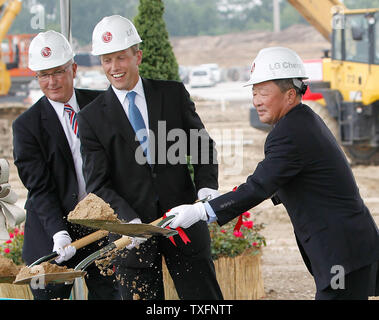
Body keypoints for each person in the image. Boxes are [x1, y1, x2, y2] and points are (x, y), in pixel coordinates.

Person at [167, 46, 379, 300]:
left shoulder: (290, 133)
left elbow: (259, 186)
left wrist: (201, 212)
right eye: (254, 92)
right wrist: (219, 202)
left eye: (263, 92)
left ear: (290, 95)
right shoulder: (303, 121)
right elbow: (275, 181)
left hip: (341, 253)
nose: (256, 100)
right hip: (349, 248)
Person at [77, 15, 223, 300]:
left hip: (183, 224)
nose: (114, 68)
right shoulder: (91, 117)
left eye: (121, 58)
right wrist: (126, 220)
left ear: (138, 56)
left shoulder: (172, 94)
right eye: (107, 60)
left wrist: (207, 186)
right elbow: (98, 183)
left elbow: (202, 145)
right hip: (130, 238)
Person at [12, 30, 119, 300]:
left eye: (58, 72)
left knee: (111, 294)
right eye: (43, 75)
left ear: (73, 68)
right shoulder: (26, 126)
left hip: (100, 225)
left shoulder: (104, 104)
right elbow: (39, 187)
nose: (51, 82)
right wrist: (59, 233)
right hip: (50, 230)